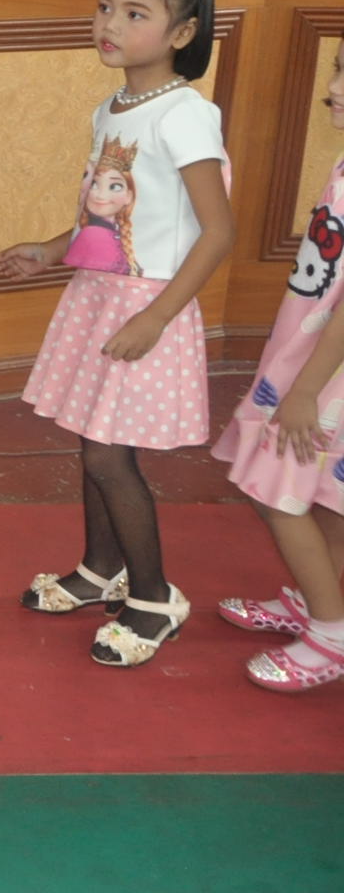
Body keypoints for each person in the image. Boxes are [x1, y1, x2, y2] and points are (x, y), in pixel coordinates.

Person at [0, 0, 232, 668]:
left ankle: (154, 597)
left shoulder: (183, 114)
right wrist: (50, 249)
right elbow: (108, 219)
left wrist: (156, 318)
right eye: (106, 7)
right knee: (89, 438)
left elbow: (218, 231)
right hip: (97, 296)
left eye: (135, 14)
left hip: (147, 306)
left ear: (183, 33)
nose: (111, 24)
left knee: (108, 453)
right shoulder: (114, 109)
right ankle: (101, 569)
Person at [210, 41, 344, 690]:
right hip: (311, 360)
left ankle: (332, 635)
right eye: (340, 68)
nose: (334, 86)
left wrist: (307, 390)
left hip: (327, 374)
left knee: (278, 488)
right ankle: (322, 599)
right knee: (326, 496)